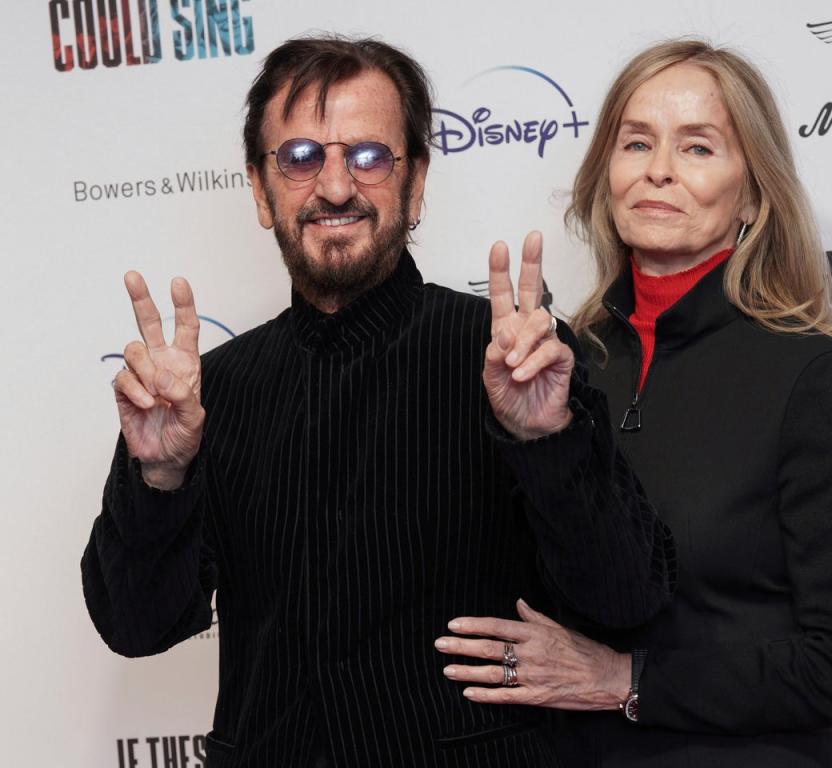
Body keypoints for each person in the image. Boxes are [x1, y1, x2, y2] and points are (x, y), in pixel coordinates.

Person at [80, 36, 676, 768]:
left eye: (369, 157)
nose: (334, 187)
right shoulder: (207, 394)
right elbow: (135, 626)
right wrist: (159, 478)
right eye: (300, 157)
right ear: (261, 191)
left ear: (416, 182)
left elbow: (628, 599)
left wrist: (547, 440)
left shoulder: (514, 359)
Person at [435, 39, 832, 767]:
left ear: (752, 192)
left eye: (698, 148)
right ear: (607, 173)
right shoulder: (559, 367)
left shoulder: (805, 376)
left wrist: (627, 680)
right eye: (637, 142)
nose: (659, 170)